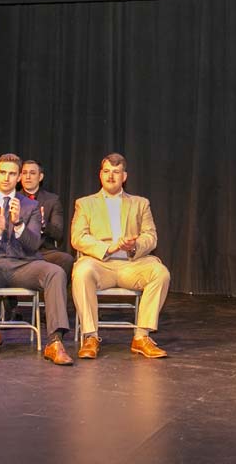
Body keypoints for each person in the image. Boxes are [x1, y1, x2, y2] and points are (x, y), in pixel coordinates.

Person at [0, 153, 73, 365]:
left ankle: (55, 342)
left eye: (12, 174)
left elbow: (34, 244)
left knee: (56, 272)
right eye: (3, 172)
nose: (6, 178)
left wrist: (18, 224)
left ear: (19, 177)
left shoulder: (30, 206)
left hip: (23, 264)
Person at [71, 153, 171, 359]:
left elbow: (151, 236)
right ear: (100, 175)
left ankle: (141, 337)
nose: (111, 176)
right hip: (100, 264)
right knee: (81, 271)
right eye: (106, 172)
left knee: (160, 272)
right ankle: (90, 337)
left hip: (132, 265)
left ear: (124, 176)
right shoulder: (85, 203)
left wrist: (134, 246)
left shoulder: (140, 203)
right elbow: (78, 237)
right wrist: (108, 248)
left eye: (116, 172)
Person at [20, 160, 74, 280]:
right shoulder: (14, 199)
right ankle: (11, 299)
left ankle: (52, 295)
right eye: (24, 173)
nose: (28, 176)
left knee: (67, 259)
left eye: (32, 173)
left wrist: (43, 224)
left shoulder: (52, 200)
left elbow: (58, 234)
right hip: (18, 252)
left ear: (40, 177)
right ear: (20, 176)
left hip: (43, 252)